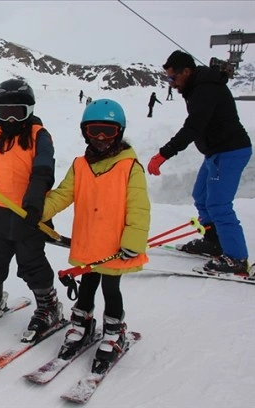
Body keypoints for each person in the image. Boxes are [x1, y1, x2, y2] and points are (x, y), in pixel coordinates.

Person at [41, 99, 150, 373]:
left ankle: (114, 332)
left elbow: (139, 208)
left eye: (108, 132)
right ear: (84, 133)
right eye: (94, 131)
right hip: (89, 243)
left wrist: (133, 241)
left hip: (115, 245)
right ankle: (83, 324)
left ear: (120, 132)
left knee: (111, 289)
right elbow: (63, 195)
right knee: (88, 284)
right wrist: (37, 213)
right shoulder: (80, 166)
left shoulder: (130, 167)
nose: (101, 138)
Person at [0, 78, 62, 342]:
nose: (11, 120)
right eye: (5, 113)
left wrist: (34, 203)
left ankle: (48, 306)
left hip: (29, 216)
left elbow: (43, 172)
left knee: (31, 262)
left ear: (29, 111)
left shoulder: (39, 136)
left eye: (17, 112)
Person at [147, 50, 252, 274]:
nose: (171, 83)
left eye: (173, 78)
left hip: (231, 151)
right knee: (202, 197)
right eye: (168, 79)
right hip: (216, 151)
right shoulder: (196, 86)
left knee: (219, 204)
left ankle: (237, 258)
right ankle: (215, 241)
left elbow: (194, 127)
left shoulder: (205, 89)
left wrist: (164, 154)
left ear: (187, 71)